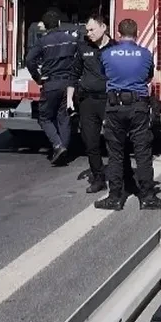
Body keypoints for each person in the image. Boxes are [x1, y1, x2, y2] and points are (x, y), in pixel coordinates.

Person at [93, 18, 161, 211]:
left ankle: (115, 197)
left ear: (118, 34)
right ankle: (147, 197)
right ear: (136, 34)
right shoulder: (145, 54)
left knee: (116, 154)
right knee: (143, 153)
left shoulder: (107, 54)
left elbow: (104, 74)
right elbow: (149, 76)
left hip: (114, 107)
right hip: (138, 107)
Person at [67, 13, 115, 193]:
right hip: (87, 101)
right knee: (90, 142)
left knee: (115, 141)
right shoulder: (83, 47)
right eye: (87, 30)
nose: (89, 33)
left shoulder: (115, 48)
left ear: (104, 27)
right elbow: (74, 74)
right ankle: (98, 177)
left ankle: (119, 177)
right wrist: (69, 98)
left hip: (109, 101)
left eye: (92, 29)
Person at [24, 8, 78, 164]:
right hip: (68, 83)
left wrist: (37, 77)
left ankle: (58, 145)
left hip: (51, 83)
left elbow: (29, 60)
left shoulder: (43, 42)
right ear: (60, 24)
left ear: (45, 26)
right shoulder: (71, 39)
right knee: (64, 117)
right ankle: (64, 150)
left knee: (45, 117)